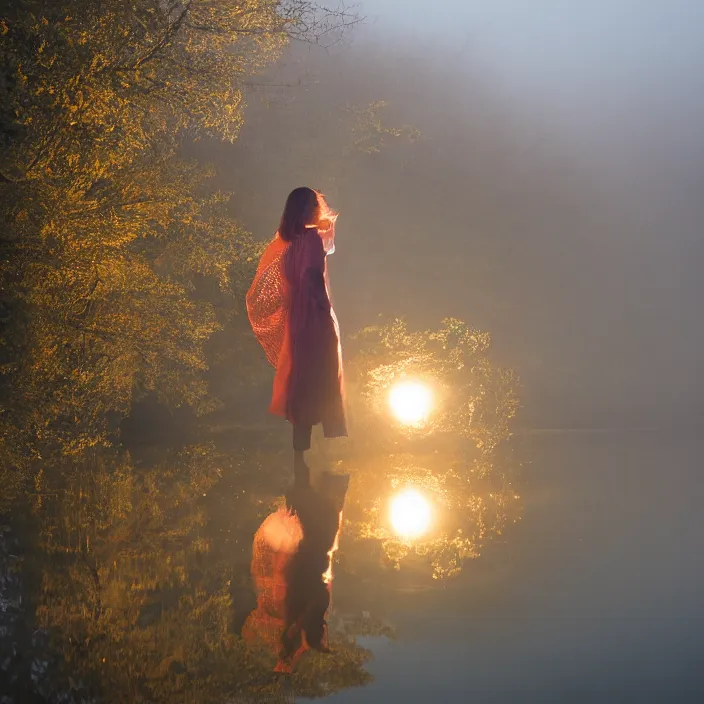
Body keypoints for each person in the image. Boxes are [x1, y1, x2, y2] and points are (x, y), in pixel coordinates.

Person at [246, 187, 347, 488]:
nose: (320, 210)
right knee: (324, 376)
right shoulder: (311, 241)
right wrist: (322, 305)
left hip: (297, 319)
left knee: (301, 379)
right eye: (316, 206)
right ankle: (321, 468)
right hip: (314, 317)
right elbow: (311, 276)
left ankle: (300, 465)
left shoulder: (287, 243)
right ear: (309, 210)